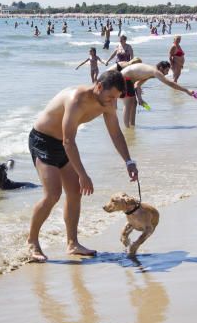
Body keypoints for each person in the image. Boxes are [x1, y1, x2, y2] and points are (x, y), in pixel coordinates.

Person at [26, 70, 138, 262]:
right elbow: (68, 141)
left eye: (117, 97)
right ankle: (32, 242)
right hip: (43, 141)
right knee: (53, 194)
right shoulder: (76, 99)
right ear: (99, 86)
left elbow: (115, 132)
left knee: (75, 192)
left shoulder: (108, 101)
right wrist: (83, 174)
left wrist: (128, 161)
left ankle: (72, 244)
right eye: (111, 96)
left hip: (63, 144)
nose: (113, 101)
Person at [115, 60, 197, 127]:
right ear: (161, 68)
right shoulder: (155, 71)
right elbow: (170, 83)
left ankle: (132, 125)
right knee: (128, 103)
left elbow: (137, 84)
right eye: (166, 70)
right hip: (123, 78)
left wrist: (140, 99)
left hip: (127, 79)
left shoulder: (150, 72)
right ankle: (127, 128)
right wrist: (186, 90)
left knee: (134, 103)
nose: (167, 73)